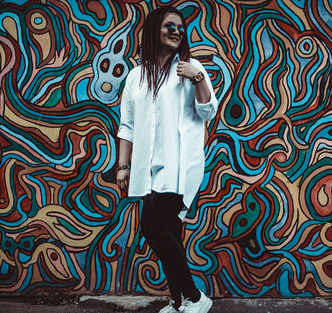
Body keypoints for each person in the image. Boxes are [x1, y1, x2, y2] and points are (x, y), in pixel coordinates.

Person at [116, 6, 218, 313]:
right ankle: (178, 302)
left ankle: (195, 297)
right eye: (169, 26)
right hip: (148, 169)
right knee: (170, 234)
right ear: (153, 31)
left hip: (179, 167)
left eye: (180, 27)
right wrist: (123, 166)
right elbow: (127, 126)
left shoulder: (189, 68)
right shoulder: (135, 77)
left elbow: (207, 111)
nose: (176, 31)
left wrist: (198, 78)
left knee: (152, 228)